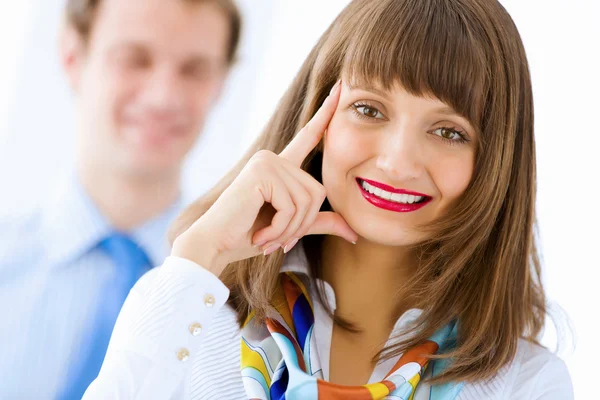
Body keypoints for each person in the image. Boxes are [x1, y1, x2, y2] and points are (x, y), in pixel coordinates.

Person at [84, 0, 574, 398]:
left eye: (448, 131)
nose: (398, 161)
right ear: (316, 116)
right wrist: (198, 258)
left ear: (494, 162)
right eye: (369, 109)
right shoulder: (194, 323)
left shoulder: (526, 385)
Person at [0, 0, 241, 398]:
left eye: (194, 70)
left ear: (221, 83)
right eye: (134, 59)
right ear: (72, 57)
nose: (164, 96)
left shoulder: (237, 314)